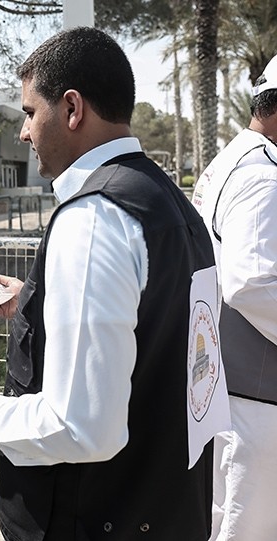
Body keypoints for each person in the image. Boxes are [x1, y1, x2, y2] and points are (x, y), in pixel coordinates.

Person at [0, 27, 220, 540]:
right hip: (166, 507)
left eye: (28, 112)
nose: (23, 133)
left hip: (94, 517)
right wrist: (37, 303)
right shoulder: (169, 202)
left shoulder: (93, 216)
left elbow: (80, 426)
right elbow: (158, 327)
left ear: (71, 109)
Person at [191, 54, 277, 541]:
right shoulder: (263, 174)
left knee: (224, 522)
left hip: (228, 384)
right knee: (249, 530)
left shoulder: (235, 158)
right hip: (256, 395)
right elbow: (253, 282)